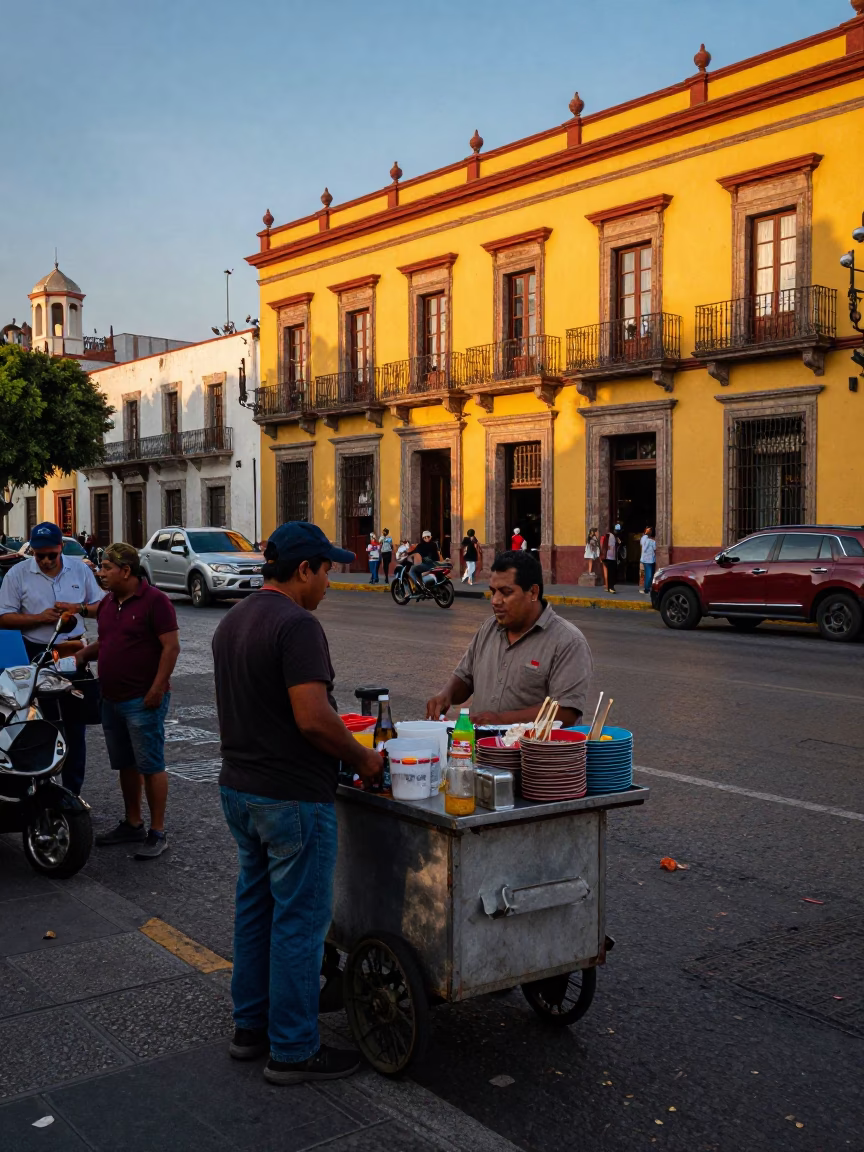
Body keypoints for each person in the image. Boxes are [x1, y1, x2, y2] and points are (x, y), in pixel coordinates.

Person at [212, 522, 382, 1086]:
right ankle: (292, 1049)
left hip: (240, 787)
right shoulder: (297, 624)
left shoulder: (233, 620)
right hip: (290, 796)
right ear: (304, 570)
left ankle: (249, 1028)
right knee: (300, 923)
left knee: (256, 909)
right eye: (327, 570)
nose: (330, 581)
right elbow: (312, 717)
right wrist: (362, 759)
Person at [75, 543, 179, 857]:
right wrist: (81, 654)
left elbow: (171, 647)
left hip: (142, 699)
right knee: (126, 765)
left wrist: (157, 688)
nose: (100, 572)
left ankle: (157, 831)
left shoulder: (156, 602)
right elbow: (107, 642)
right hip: (111, 698)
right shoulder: (108, 603)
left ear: (126, 571)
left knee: (151, 765)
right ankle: (132, 823)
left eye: (106, 567)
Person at [426, 550, 593, 727]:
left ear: (533, 592)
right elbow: (465, 677)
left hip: (532, 753)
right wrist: (446, 695)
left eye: (506, 592)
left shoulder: (568, 641)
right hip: (481, 751)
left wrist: (501, 721)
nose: (495, 601)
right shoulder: (488, 628)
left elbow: (566, 713)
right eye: (493, 592)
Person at [0, 521, 104, 795]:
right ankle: (32, 786)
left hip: (73, 652)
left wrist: (78, 608)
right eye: (39, 555)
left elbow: (101, 607)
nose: (46, 560)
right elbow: (3, 617)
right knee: (29, 721)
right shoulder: (18, 575)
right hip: (33, 652)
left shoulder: (80, 569)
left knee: (74, 724)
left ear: (61, 548)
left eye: (51, 555)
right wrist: (39, 619)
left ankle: (72, 792)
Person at [408, 529, 443, 594]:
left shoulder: (420, 546)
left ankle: (419, 586)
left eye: (428, 537)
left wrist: (407, 553)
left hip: (428, 565)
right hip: (435, 564)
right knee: (418, 569)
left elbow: (412, 552)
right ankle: (424, 586)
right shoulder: (434, 544)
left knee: (412, 569)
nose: (426, 538)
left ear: (430, 537)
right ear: (423, 538)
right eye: (425, 537)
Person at [600, 524, 620, 593]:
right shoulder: (611, 536)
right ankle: (611, 587)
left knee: (609, 573)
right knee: (611, 573)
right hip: (610, 557)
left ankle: (609, 587)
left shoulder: (608, 535)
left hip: (608, 557)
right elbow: (609, 547)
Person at [640, 526, 657, 594]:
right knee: (649, 575)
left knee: (650, 575)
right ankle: (646, 589)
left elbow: (655, 549)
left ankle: (648, 588)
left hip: (651, 560)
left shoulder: (652, 541)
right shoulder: (645, 539)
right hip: (646, 560)